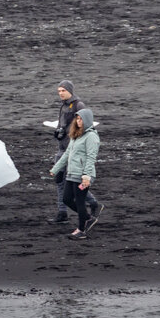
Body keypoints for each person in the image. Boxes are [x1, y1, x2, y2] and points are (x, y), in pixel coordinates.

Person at [51, 80, 101, 223]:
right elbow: (63, 125)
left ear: (70, 91)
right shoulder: (63, 106)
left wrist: (69, 135)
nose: (60, 93)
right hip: (63, 149)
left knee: (75, 183)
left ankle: (92, 203)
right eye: (59, 91)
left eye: (63, 90)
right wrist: (58, 133)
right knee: (60, 181)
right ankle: (62, 213)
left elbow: (83, 127)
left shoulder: (78, 105)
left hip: (74, 152)